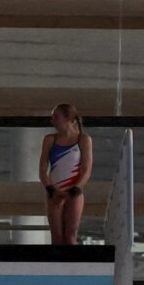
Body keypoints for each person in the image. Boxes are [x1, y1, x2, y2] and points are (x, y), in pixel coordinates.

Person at [41, 103, 94, 244]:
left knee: (70, 237)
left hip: (74, 192)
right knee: (57, 238)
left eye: (56, 117)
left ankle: (76, 266)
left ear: (68, 119)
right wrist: (51, 189)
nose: (53, 121)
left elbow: (86, 170)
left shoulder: (83, 140)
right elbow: (42, 170)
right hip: (54, 192)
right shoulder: (50, 140)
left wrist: (76, 189)